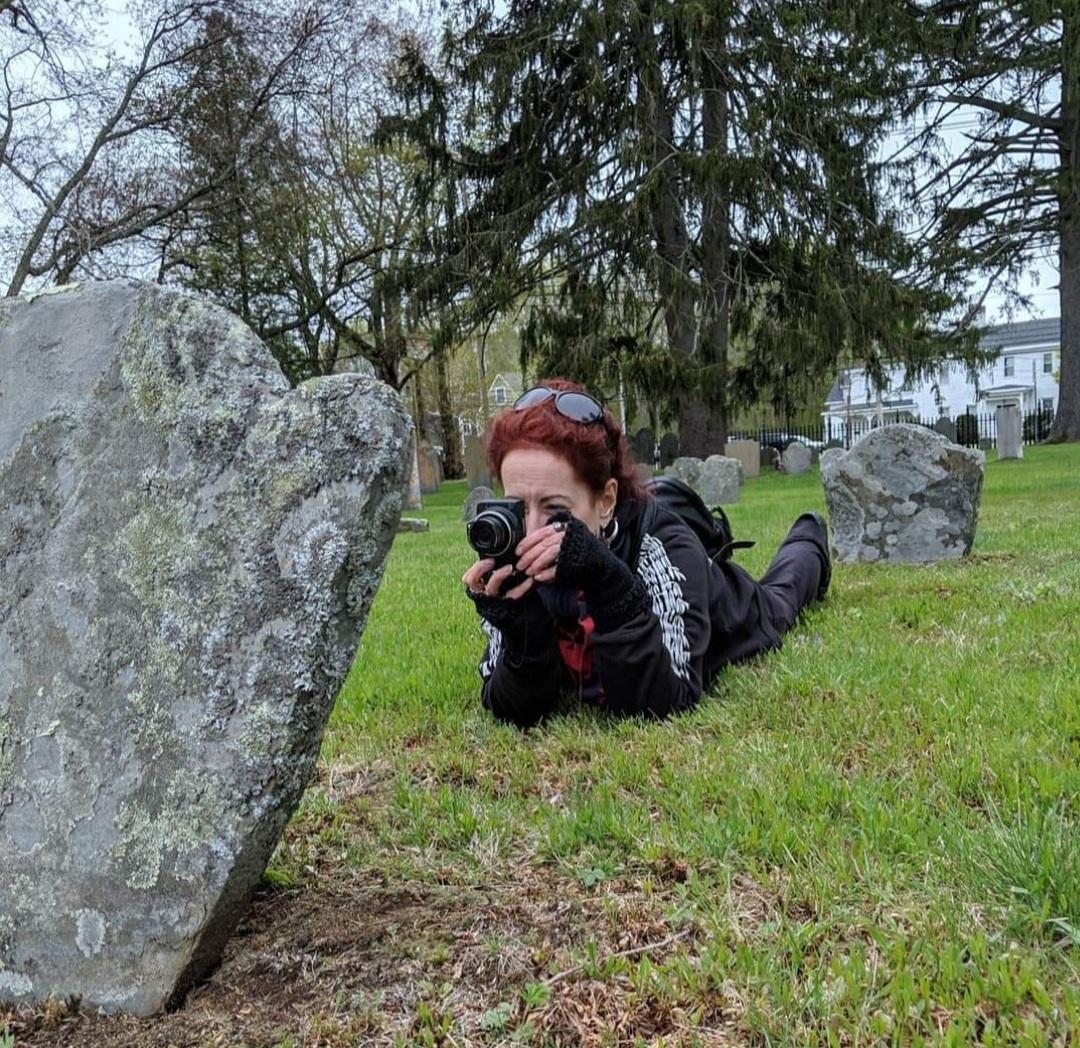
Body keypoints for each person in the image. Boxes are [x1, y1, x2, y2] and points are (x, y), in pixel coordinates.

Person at [461, 380, 830, 727]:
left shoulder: (658, 542)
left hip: (734, 611)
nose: (534, 530)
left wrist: (609, 583)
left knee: (785, 594)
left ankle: (809, 533)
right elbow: (512, 704)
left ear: (605, 501)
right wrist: (522, 631)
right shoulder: (516, 553)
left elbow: (665, 699)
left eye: (556, 508)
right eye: (518, 507)